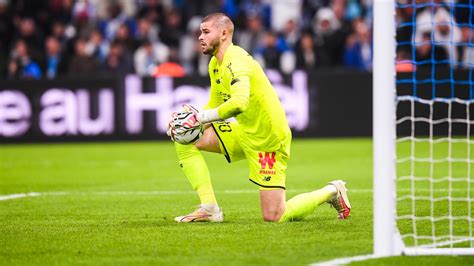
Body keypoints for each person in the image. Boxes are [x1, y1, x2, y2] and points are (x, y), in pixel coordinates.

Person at [167, 13, 351, 223]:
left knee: (274, 216)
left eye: (206, 32)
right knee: (183, 136)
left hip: (268, 139)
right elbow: (215, 105)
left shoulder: (236, 61)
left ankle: (332, 191)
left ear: (224, 33)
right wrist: (187, 119)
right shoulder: (215, 65)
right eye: (200, 32)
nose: (200, 37)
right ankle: (209, 208)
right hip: (244, 131)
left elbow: (239, 103)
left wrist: (199, 118)